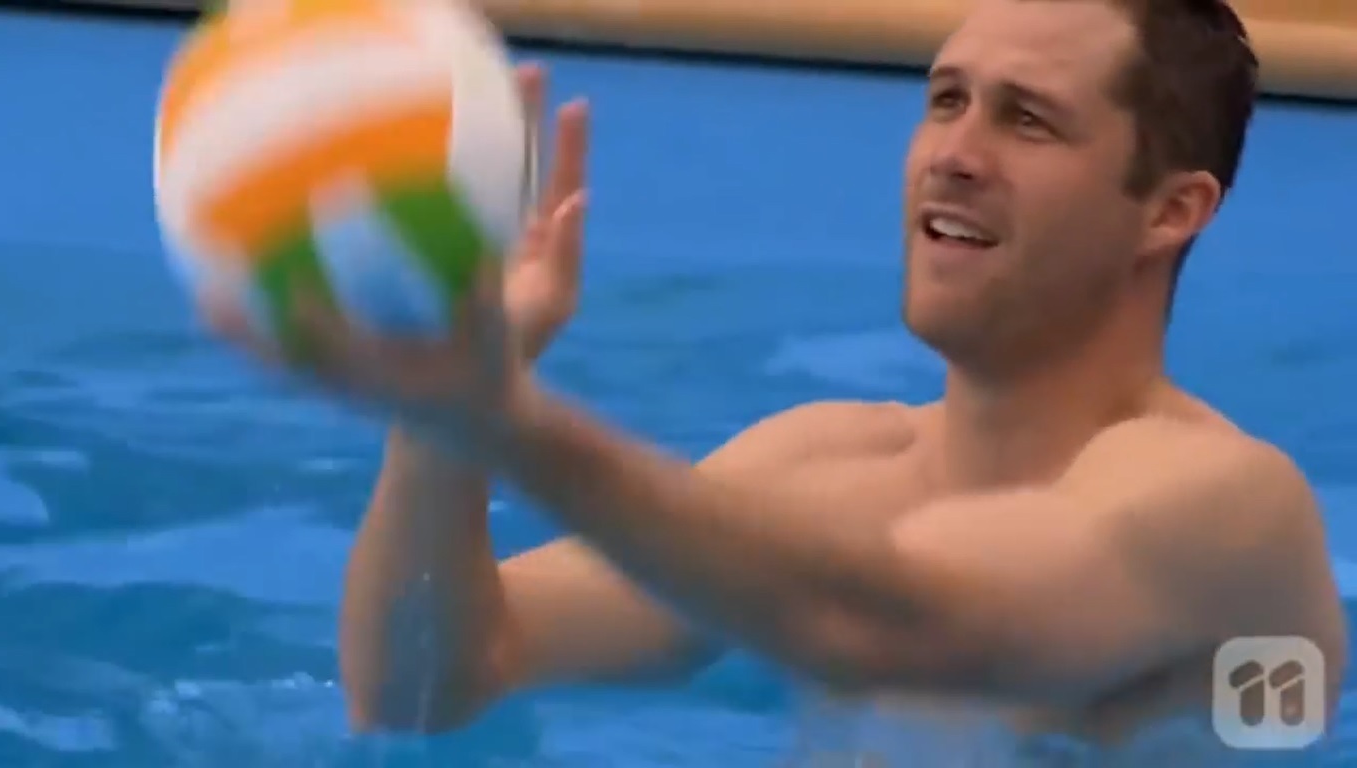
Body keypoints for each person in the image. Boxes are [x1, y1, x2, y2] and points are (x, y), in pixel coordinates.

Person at [210, 0, 1348, 755]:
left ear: (1170, 210)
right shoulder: (821, 467)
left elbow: (910, 626)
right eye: (945, 99)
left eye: (1028, 121)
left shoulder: (1228, 507)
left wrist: (509, 420)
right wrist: (442, 418)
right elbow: (426, 686)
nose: (954, 153)